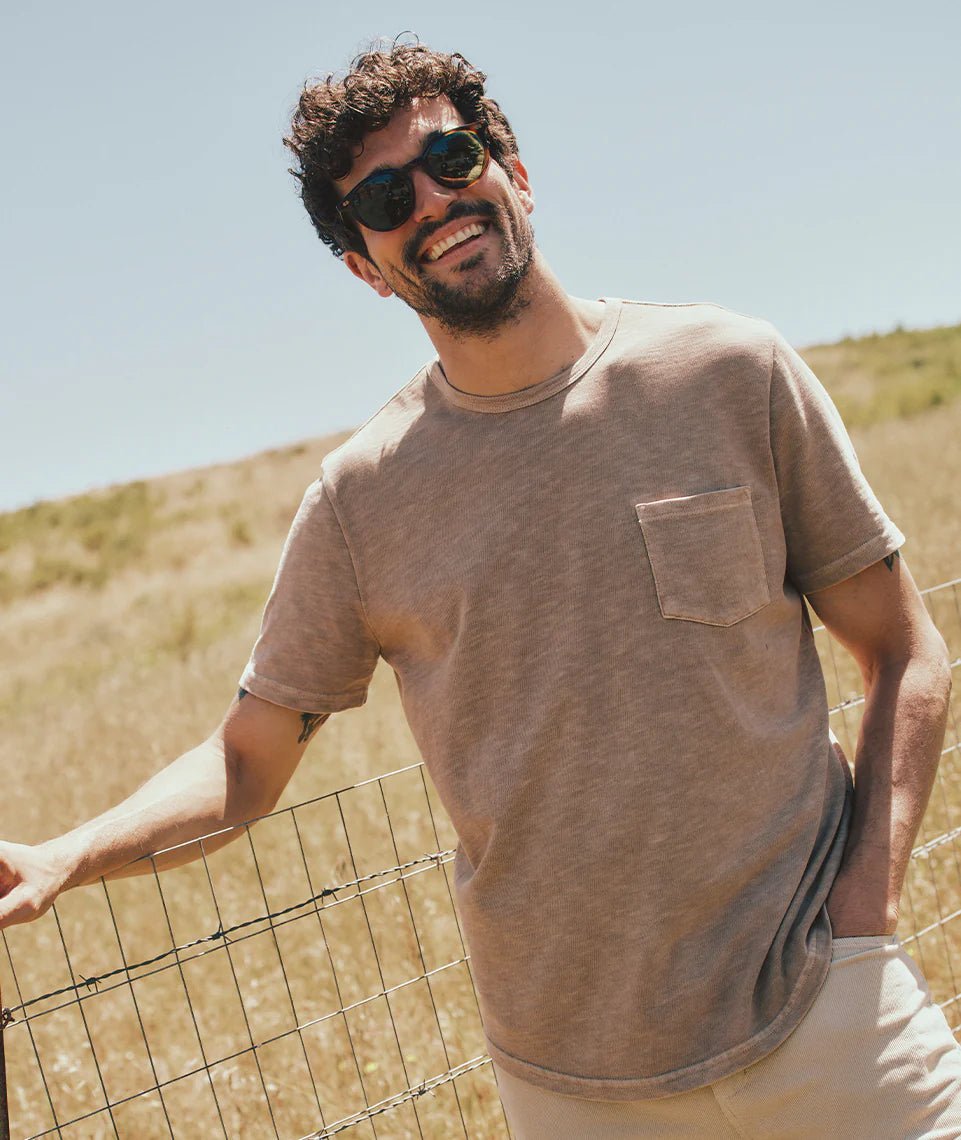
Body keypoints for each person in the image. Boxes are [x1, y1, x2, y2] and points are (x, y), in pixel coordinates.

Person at [1, 40, 957, 1138]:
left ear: (514, 170)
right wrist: (66, 856)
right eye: (382, 196)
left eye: (453, 156)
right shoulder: (361, 501)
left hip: (827, 1025)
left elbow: (901, 647)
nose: (433, 199)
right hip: (571, 1086)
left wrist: (866, 915)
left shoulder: (729, 372)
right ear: (365, 265)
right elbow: (244, 763)